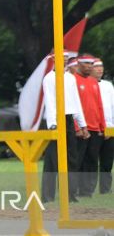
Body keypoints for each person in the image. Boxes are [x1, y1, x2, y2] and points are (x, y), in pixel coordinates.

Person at [41, 55, 88, 202]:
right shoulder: (49, 78)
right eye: (61, 57)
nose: (65, 60)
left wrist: (82, 124)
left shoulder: (70, 78)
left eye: (66, 58)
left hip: (68, 119)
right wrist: (53, 124)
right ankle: (48, 195)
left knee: (71, 159)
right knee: (52, 160)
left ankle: (70, 194)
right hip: (55, 119)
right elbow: (49, 101)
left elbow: (76, 101)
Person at [73, 53, 106, 197]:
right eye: (86, 63)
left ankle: (88, 191)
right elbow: (71, 106)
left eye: (91, 64)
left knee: (92, 161)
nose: (89, 66)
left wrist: (102, 127)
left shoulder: (93, 82)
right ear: (78, 64)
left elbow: (99, 105)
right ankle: (73, 190)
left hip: (95, 129)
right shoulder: (72, 80)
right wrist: (77, 127)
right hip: (81, 128)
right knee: (78, 160)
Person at [93, 58, 113, 194]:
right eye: (97, 67)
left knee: (107, 161)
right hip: (94, 128)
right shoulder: (86, 85)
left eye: (101, 66)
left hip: (110, 128)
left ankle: (105, 189)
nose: (100, 69)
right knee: (92, 160)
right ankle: (88, 188)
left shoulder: (108, 85)